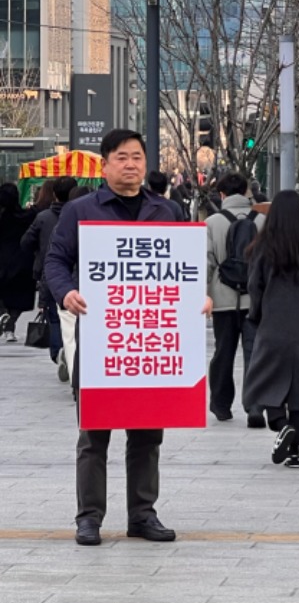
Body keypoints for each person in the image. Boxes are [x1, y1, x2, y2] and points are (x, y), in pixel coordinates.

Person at [45, 129, 210, 546]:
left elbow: (183, 266)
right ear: (105, 164)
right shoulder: (81, 211)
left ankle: (142, 514)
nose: (131, 164)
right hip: (103, 341)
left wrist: (198, 297)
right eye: (122, 157)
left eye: (137, 157)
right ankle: (89, 518)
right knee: (94, 434)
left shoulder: (167, 210)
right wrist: (67, 292)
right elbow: (56, 260)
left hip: (150, 344)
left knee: (147, 434)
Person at [243, 190, 299, 468]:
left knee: (263, 381)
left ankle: (280, 424)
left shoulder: (263, 248)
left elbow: (255, 287)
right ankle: (294, 452)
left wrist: (255, 316)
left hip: (273, 326)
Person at [206, 172, 266, 427]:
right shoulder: (263, 220)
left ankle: (221, 405)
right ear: (247, 192)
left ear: (221, 195)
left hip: (223, 298)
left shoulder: (211, 222)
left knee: (223, 351)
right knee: (255, 352)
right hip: (255, 298)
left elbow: (205, 262)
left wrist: (205, 295)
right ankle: (255, 406)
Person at [20, 175, 77, 376]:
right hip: (78, 277)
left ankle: (59, 352)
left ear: (54, 195)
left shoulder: (43, 218)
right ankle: (70, 354)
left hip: (49, 273)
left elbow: (26, 242)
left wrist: (39, 252)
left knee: (54, 317)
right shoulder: (84, 217)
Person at [0, 182, 38, 343]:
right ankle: (10, 326)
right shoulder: (27, 216)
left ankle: (2, 314)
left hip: (2, 260)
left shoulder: (2, 218)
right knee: (19, 297)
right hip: (23, 261)